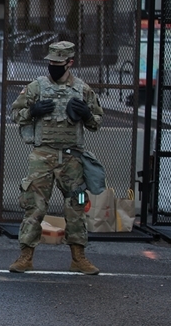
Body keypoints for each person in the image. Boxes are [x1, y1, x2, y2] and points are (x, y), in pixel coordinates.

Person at [8, 41, 103, 275]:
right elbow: (15, 114)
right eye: (51, 62)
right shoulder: (36, 87)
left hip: (72, 157)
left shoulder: (82, 90)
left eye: (59, 63)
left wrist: (87, 115)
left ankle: (78, 257)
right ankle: (25, 256)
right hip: (43, 155)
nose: (54, 67)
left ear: (70, 62)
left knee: (76, 206)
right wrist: (32, 111)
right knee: (34, 206)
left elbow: (96, 123)